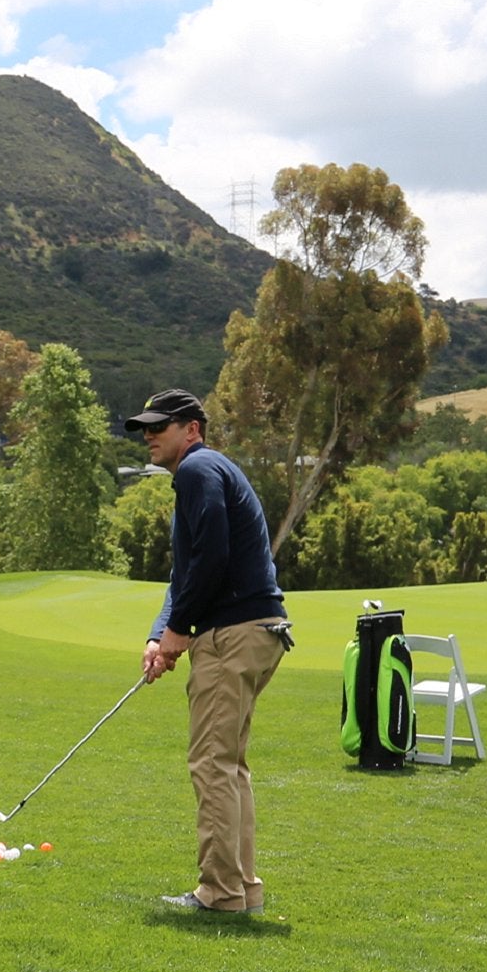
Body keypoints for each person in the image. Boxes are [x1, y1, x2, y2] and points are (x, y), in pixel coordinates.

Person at [127, 388, 293, 913]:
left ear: (192, 429)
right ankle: (240, 890)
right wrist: (162, 634)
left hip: (234, 632)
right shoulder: (200, 475)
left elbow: (212, 560)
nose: (150, 435)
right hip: (255, 631)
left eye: (161, 426)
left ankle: (219, 893)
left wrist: (180, 631)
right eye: (146, 428)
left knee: (211, 764)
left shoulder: (199, 471)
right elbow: (184, 576)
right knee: (229, 766)